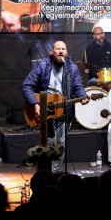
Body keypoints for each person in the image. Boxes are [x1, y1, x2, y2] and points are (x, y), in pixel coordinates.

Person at [22, 40, 89, 173]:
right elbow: (26, 85)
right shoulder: (43, 65)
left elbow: (77, 86)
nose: (60, 51)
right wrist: (35, 104)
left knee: (61, 144)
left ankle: (56, 173)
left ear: (66, 52)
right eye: (58, 49)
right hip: (45, 109)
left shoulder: (72, 68)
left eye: (63, 49)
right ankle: (45, 173)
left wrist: (83, 96)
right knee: (49, 143)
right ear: (52, 52)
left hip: (63, 110)